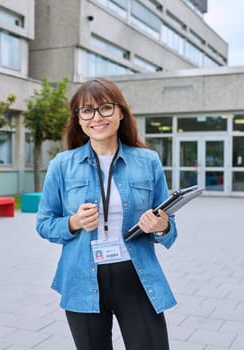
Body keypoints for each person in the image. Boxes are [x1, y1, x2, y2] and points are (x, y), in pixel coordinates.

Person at [36, 77, 177, 350]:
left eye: (105, 108)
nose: (96, 117)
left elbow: (169, 225)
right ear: (78, 118)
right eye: (86, 110)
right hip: (81, 277)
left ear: (121, 112)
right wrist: (74, 223)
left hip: (136, 275)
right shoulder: (62, 165)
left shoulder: (147, 161)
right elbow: (44, 224)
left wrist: (160, 226)